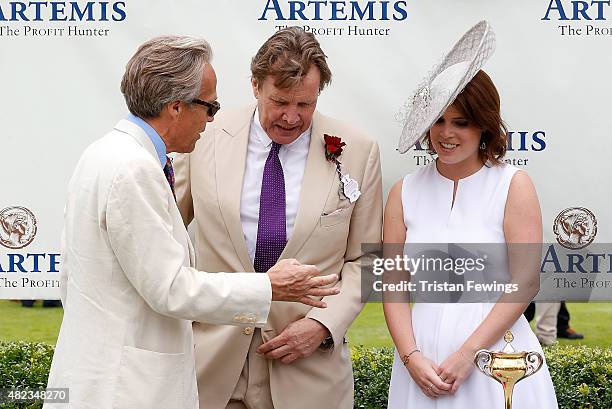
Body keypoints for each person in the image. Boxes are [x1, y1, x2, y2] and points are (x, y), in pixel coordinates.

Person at [43, 35, 339, 409]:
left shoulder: (104, 154)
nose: (212, 119)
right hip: (126, 388)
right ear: (176, 108)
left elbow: (73, 278)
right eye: (210, 106)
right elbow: (171, 289)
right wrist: (267, 287)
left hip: (107, 375)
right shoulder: (134, 168)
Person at [173, 27, 383, 409]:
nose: (291, 117)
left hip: (309, 373)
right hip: (213, 368)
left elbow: (365, 260)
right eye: (280, 101)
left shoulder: (358, 150)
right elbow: (166, 230)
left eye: (305, 105)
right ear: (255, 86)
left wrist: (323, 326)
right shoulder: (203, 137)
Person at [384, 22, 558, 409]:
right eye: (439, 121)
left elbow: (526, 281)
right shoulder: (403, 192)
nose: (446, 133)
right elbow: (394, 287)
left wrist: (468, 355)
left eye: (461, 121)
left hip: (499, 358)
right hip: (421, 363)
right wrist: (411, 358)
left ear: (484, 123)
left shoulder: (513, 184)